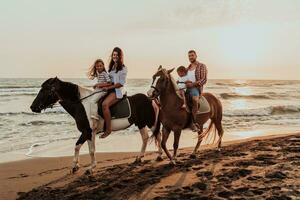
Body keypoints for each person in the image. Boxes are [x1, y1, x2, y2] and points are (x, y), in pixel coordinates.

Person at [100, 47, 127, 138]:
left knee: (104, 105)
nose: (115, 56)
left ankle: (108, 129)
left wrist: (109, 88)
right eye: (113, 55)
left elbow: (120, 83)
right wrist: (101, 85)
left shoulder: (123, 68)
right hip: (110, 88)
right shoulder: (111, 67)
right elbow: (110, 81)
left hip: (118, 91)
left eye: (116, 55)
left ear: (120, 56)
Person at [185, 50, 207, 132]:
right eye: (189, 56)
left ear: (196, 56)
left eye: (192, 55)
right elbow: (184, 79)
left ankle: (193, 123)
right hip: (186, 88)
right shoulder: (187, 69)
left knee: (194, 99)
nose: (190, 57)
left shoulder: (201, 66)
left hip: (196, 88)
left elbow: (204, 79)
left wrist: (193, 84)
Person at [87, 59, 111, 123]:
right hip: (99, 89)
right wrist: (96, 85)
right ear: (95, 67)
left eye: (100, 66)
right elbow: (100, 83)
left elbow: (109, 83)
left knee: (92, 101)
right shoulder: (99, 74)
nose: (99, 67)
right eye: (97, 66)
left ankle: (95, 117)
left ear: (103, 66)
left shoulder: (104, 73)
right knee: (89, 96)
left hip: (103, 90)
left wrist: (100, 85)